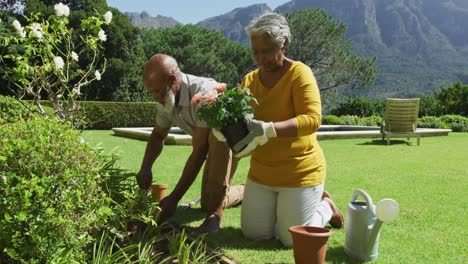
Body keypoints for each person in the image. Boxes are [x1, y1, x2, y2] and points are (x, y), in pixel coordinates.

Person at [227, 13, 344, 247]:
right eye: (256, 52)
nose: (261, 58)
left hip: (299, 171)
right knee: (254, 234)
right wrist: (226, 126)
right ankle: (293, 212)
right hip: (262, 173)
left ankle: (325, 208)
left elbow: (312, 119)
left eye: (267, 50)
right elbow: (239, 120)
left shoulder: (299, 73)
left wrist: (270, 129)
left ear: (284, 44)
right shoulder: (249, 80)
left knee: (291, 240)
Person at [137, 54, 244, 234]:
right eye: (151, 92)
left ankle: (215, 217)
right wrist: (146, 167)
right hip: (212, 145)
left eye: (155, 91)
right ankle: (246, 191)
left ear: (171, 80)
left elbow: (200, 150)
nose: (154, 97)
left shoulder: (204, 92)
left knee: (218, 135)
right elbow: (157, 135)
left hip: (234, 141)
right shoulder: (165, 99)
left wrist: (174, 199)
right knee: (208, 201)